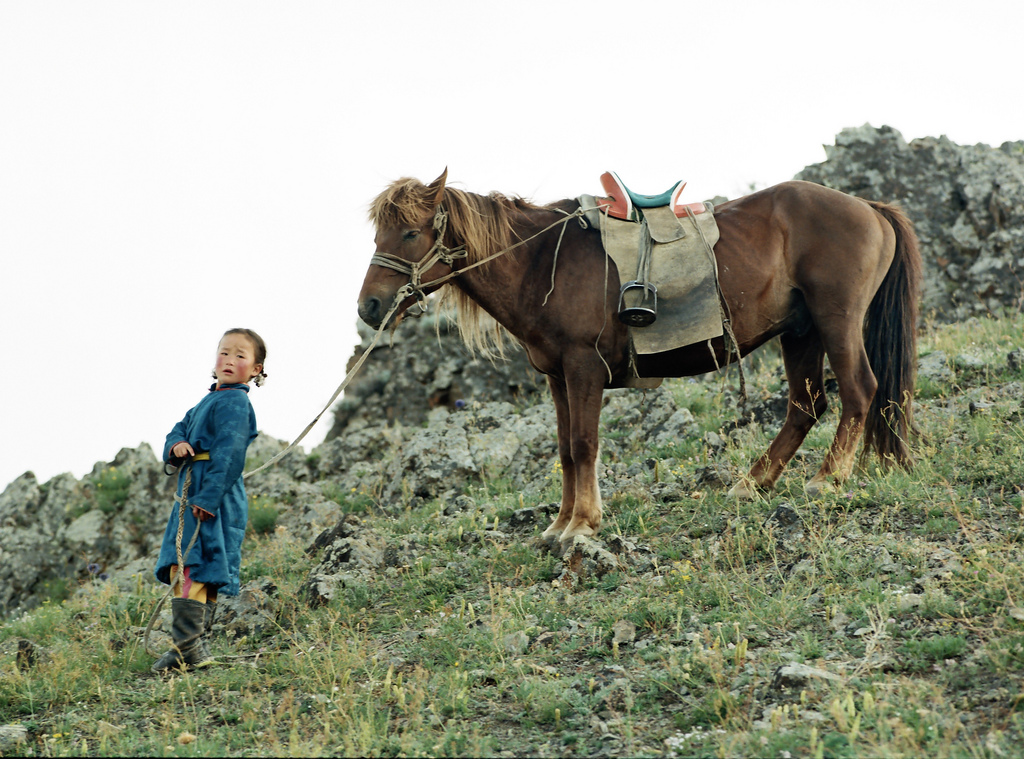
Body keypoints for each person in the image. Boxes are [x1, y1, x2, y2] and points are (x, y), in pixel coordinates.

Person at [152, 328, 267, 673]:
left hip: (211, 495)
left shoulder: (236, 402)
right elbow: (177, 429)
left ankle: (186, 649)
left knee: (196, 565)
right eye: (224, 352)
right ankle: (189, 648)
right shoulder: (205, 402)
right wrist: (175, 446)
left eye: (240, 356)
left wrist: (209, 497)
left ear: (256, 369)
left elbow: (230, 452)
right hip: (192, 491)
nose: (230, 360)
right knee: (183, 564)